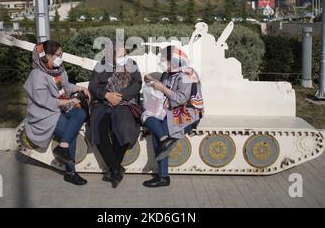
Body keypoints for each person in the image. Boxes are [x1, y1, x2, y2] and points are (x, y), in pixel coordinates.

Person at [23, 40, 91, 185]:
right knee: (70, 131)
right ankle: (70, 172)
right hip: (45, 114)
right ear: (46, 56)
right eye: (57, 55)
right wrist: (68, 102)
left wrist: (79, 88)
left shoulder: (57, 69)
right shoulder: (37, 75)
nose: (60, 57)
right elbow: (45, 101)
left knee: (80, 114)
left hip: (60, 108)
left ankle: (63, 146)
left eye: (61, 54)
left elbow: (65, 86)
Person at [142, 45, 204, 188]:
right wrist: (153, 81)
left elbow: (181, 99)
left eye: (165, 60)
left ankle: (163, 177)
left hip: (189, 112)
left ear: (175, 60)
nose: (163, 62)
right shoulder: (168, 73)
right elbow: (166, 90)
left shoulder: (187, 75)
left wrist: (162, 88)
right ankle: (165, 142)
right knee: (148, 117)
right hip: (170, 109)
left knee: (159, 133)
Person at [88, 43, 142, 188]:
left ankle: (113, 169)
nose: (117, 50)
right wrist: (106, 95)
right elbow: (92, 85)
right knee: (98, 128)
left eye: (121, 47)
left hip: (124, 103)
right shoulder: (102, 64)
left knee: (125, 127)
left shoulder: (132, 64)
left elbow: (137, 84)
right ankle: (116, 169)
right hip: (102, 103)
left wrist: (119, 96)